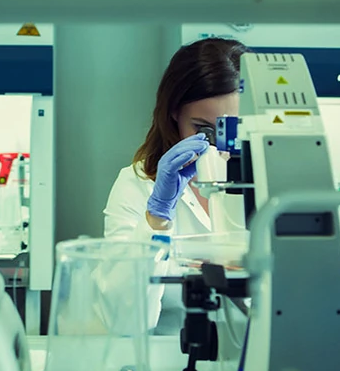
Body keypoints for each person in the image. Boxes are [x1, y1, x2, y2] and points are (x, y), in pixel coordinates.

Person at [103, 38, 251, 334]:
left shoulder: (279, 182)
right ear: (173, 114)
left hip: (263, 349)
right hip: (173, 354)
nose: (219, 146)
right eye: (203, 129)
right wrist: (156, 218)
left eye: (233, 128)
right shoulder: (137, 185)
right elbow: (124, 321)